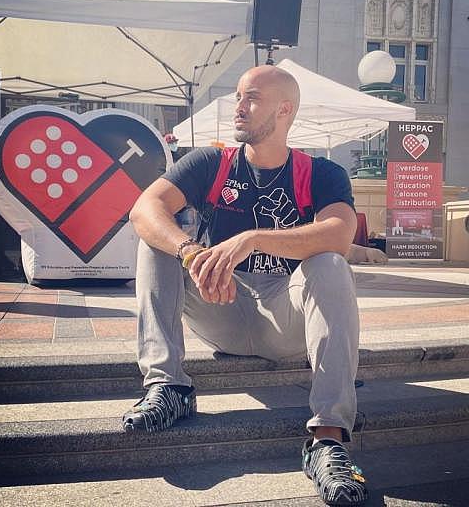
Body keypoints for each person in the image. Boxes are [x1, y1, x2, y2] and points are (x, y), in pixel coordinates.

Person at [125, 65, 368, 506]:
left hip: (284, 316)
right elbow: (145, 208)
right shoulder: (210, 163)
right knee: (155, 243)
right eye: (237, 96)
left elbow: (339, 234)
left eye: (251, 98)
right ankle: (169, 386)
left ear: (284, 110)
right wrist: (190, 251)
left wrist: (252, 238)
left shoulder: (321, 173)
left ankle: (328, 437)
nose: (238, 107)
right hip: (223, 304)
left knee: (331, 264)